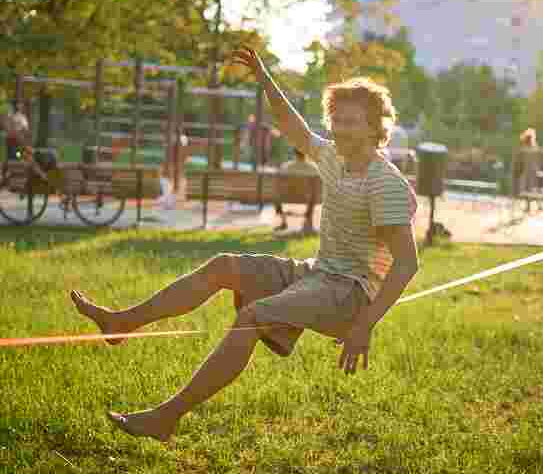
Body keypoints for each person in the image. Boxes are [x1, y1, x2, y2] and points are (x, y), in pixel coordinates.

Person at [70, 46, 419, 444]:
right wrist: (264, 76)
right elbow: (295, 128)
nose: (340, 129)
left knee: (254, 315)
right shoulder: (335, 158)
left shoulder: (385, 183)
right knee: (224, 266)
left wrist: (364, 326)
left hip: (351, 293)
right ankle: (122, 323)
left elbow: (407, 264)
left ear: (376, 127)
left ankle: (165, 417)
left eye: (352, 122)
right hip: (319, 273)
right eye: (336, 120)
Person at [274, 148, 318, 233]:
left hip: (288, 197)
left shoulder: (286, 167)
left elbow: (278, 184)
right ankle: (308, 222)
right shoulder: (313, 168)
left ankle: (283, 222)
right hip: (307, 198)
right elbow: (316, 188)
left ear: (294, 153)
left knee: (277, 196)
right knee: (313, 195)